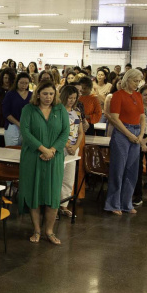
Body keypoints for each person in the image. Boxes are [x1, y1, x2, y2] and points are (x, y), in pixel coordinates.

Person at [18, 81, 69, 244]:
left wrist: (52, 150)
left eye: (51, 94)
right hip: (33, 157)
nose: (48, 97)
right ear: (38, 94)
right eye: (45, 93)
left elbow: (65, 132)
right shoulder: (28, 110)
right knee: (35, 192)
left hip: (54, 158)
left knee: (53, 194)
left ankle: (50, 231)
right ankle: (37, 230)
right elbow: (25, 132)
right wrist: (42, 149)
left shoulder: (60, 110)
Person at [105, 69, 146, 214]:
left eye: (139, 81)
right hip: (122, 134)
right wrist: (128, 134)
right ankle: (113, 204)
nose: (137, 84)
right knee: (118, 170)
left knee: (132, 170)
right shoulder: (117, 96)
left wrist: (141, 135)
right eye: (135, 80)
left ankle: (126, 203)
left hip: (136, 133)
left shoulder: (138, 96)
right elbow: (115, 118)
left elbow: (142, 116)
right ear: (127, 80)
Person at [58, 85, 85, 217]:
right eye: (70, 98)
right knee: (58, 177)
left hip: (73, 148)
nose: (72, 100)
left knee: (68, 179)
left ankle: (64, 205)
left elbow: (80, 132)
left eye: (74, 98)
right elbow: (59, 131)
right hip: (62, 147)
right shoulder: (57, 111)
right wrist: (68, 145)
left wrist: (75, 147)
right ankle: (54, 206)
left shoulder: (77, 112)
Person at [2, 72, 33, 146]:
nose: (24, 85)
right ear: (17, 82)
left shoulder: (31, 95)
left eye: (26, 83)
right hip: (12, 125)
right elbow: (6, 112)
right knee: (11, 150)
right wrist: (18, 123)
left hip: (27, 126)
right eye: (21, 83)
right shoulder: (10, 94)